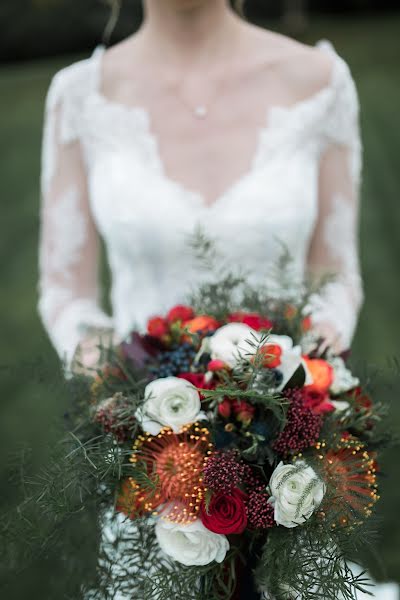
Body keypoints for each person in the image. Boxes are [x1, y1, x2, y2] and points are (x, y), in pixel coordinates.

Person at [37, 0, 399, 598]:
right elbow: (65, 291)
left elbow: (334, 274)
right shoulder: (78, 97)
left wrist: (305, 381)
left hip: (284, 453)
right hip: (154, 466)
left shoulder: (320, 83)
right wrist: (126, 392)